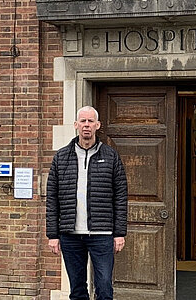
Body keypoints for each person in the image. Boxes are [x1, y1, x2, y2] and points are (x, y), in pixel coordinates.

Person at [46, 106, 128, 300]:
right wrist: (52, 234)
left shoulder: (111, 156)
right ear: (76, 125)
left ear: (97, 125)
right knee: (77, 290)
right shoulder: (61, 157)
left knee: (105, 288)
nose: (86, 125)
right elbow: (52, 198)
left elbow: (121, 196)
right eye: (82, 121)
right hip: (70, 235)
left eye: (90, 121)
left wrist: (119, 233)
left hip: (102, 235)